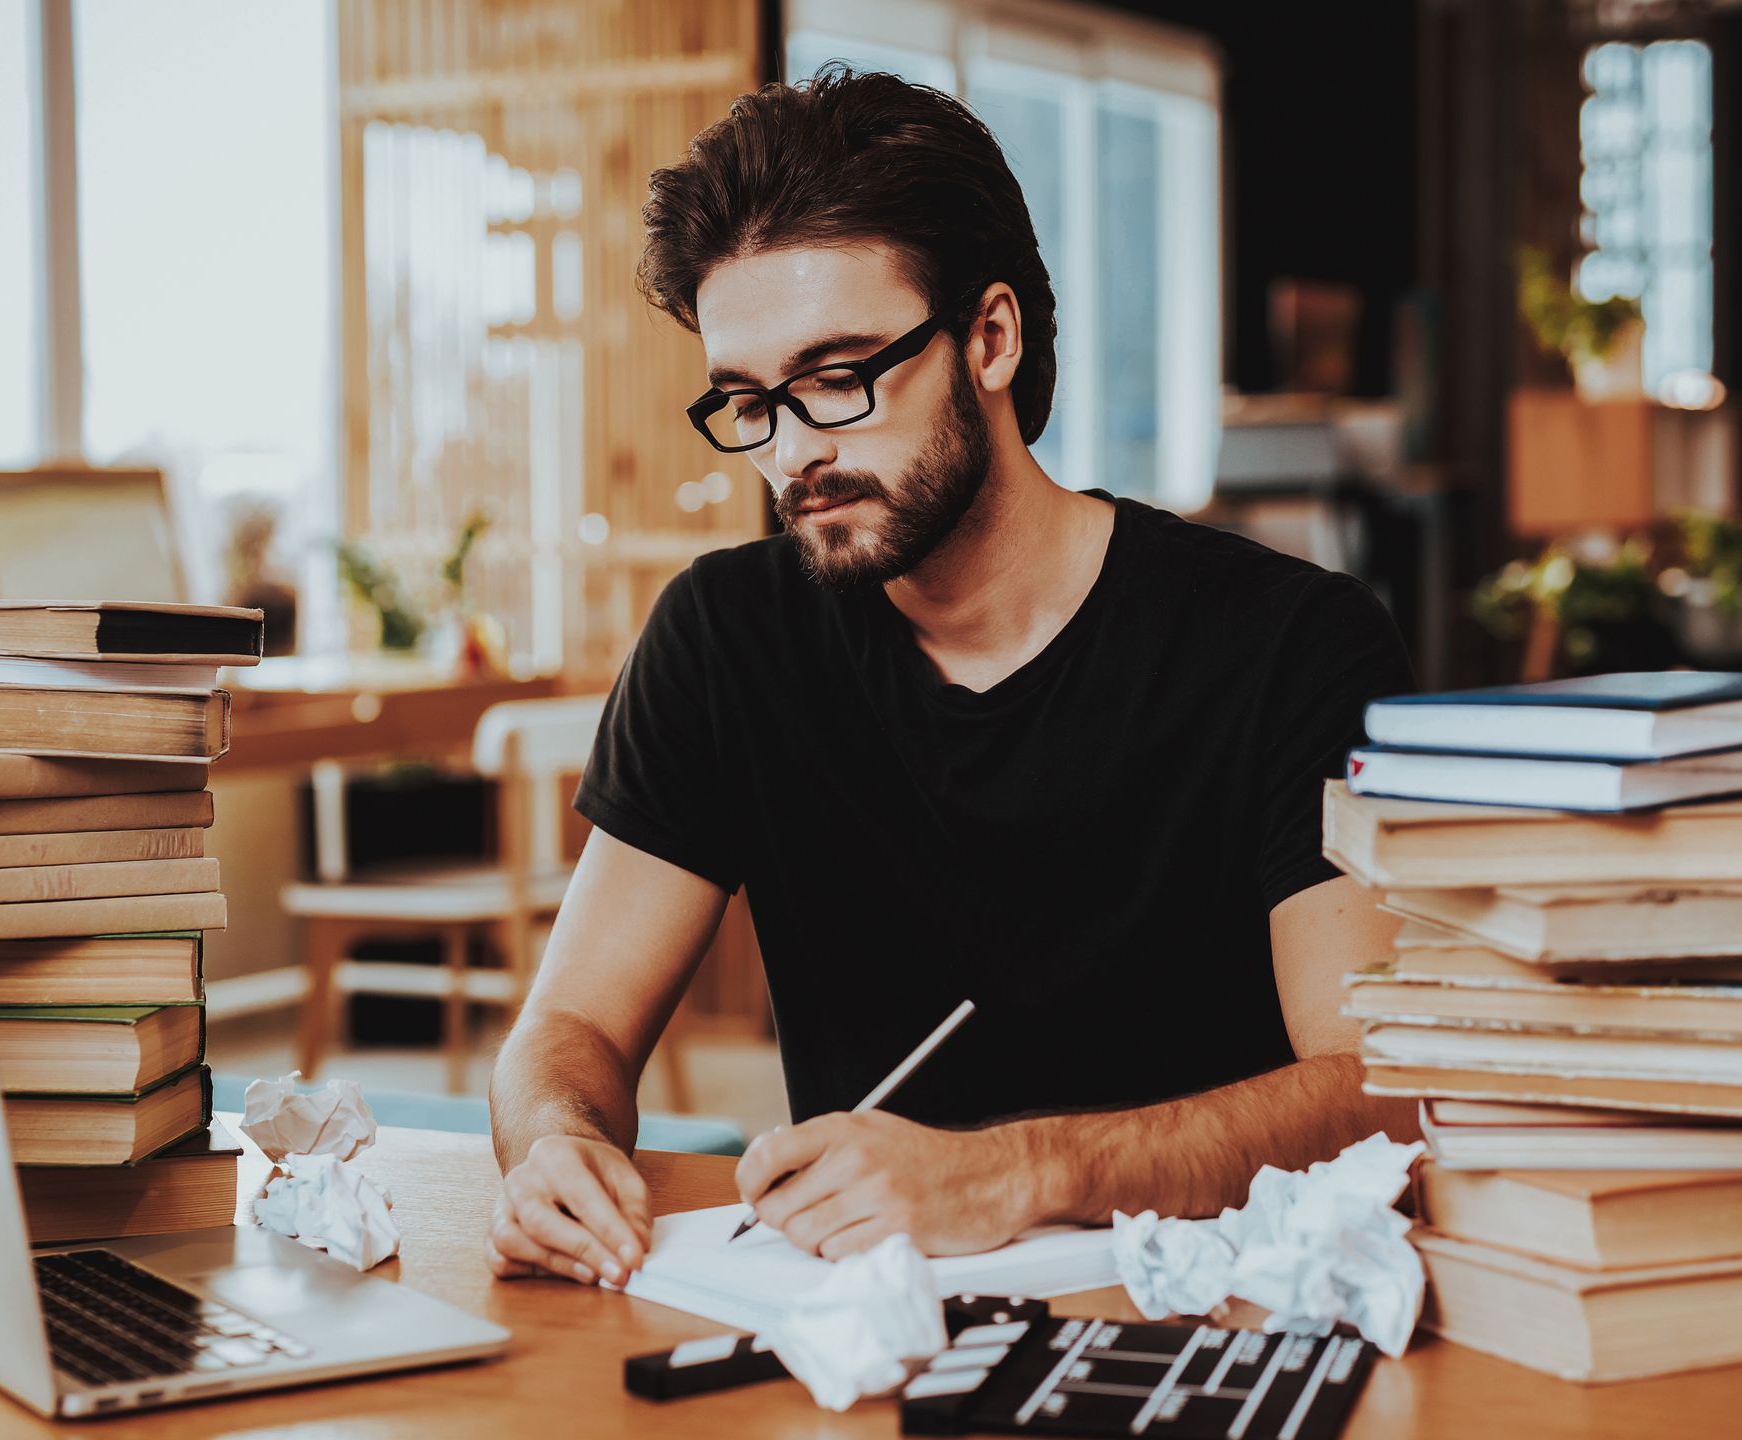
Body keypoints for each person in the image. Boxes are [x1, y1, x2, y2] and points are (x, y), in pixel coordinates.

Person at [485, 67, 1416, 1289]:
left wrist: (1021, 1171)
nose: (795, 450)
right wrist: (557, 1140)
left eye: (837, 377)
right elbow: (571, 1029)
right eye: (748, 402)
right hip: (860, 1342)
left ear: (989, 336)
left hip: (1221, 1316)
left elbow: (1377, 1094)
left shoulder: (1291, 641)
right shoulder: (726, 638)